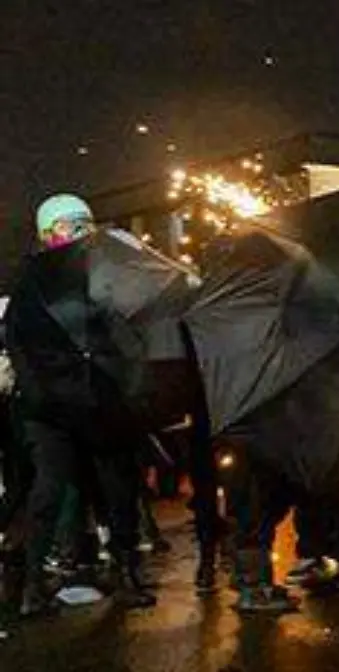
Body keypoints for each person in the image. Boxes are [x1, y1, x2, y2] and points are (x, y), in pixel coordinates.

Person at [6, 194, 156, 616]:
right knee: (52, 491)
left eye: (83, 224)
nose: (78, 234)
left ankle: (123, 572)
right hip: (56, 406)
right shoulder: (32, 285)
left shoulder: (102, 276)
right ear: (46, 233)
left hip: (95, 399)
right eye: (69, 226)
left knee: (117, 488)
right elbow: (20, 344)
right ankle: (37, 583)